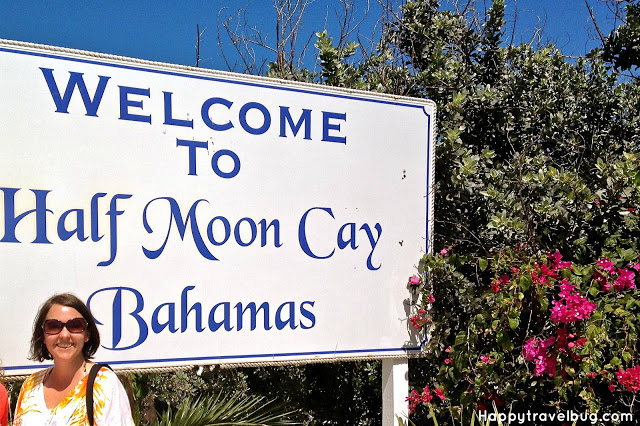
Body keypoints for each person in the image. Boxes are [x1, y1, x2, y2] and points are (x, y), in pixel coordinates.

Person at [13, 293, 134, 426]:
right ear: (43, 335)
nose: (64, 335)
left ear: (87, 334)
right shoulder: (30, 385)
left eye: (75, 325)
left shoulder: (104, 383)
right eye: (53, 326)